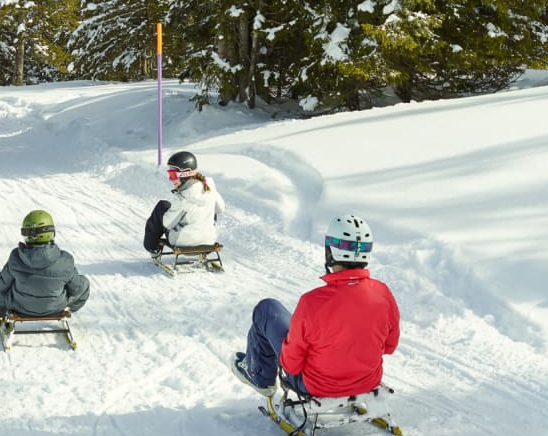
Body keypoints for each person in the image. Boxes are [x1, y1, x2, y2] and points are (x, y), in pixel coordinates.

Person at [237, 214, 398, 397]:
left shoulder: (312, 302)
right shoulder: (383, 293)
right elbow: (389, 346)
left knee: (267, 309)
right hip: (367, 381)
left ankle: (259, 377)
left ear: (330, 252)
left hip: (317, 386)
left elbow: (291, 364)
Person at [0, 209, 91, 319]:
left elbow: (0, 286)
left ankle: (2, 313)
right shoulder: (65, 260)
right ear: (51, 232)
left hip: (19, 307)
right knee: (84, 283)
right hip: (55, 307)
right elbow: (76, 289)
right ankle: (68, 310)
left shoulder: (16, 256)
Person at [144, 150, 224, 256]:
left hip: (184, 242)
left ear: (185, 174)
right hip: (208, 240)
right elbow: (220, 209)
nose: (170, 179)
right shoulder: (209, 187)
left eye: (172, 175)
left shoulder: (184, 196)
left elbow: (167, 224)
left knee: (162, 206)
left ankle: (152, 247)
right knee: (210, 206)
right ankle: (203, 236)